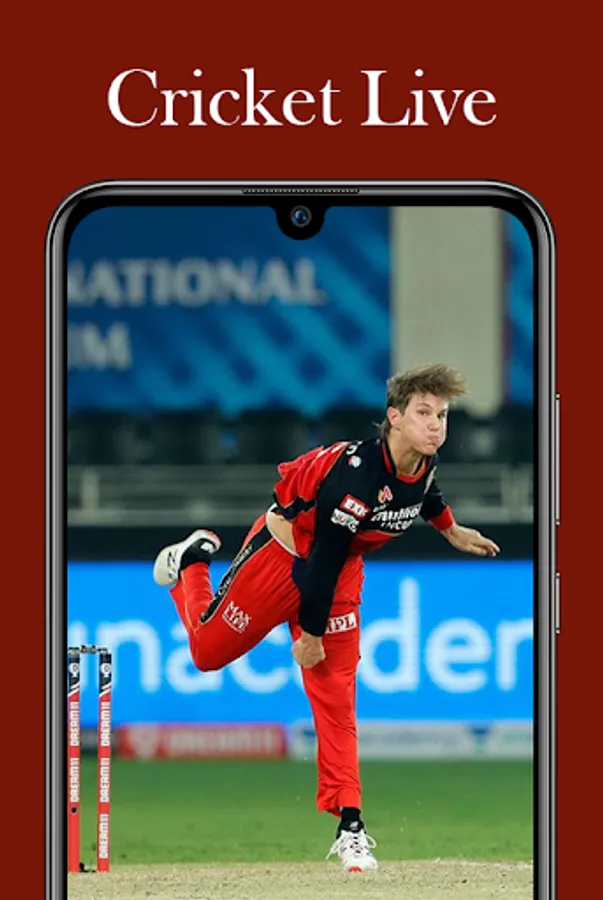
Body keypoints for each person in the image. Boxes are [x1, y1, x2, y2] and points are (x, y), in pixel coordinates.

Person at [152, 363, 500, 873]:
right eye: (424, 414)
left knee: (337, 697)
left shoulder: (423, 460)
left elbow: (423, 495)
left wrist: (450, 529)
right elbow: (322, 560)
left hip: (338, 575)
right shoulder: (356, 478)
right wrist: (310, 635)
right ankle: (191, 564)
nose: (435, 426)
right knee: (206, 654)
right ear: (394, 418)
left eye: (442, 415)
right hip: (281, 558)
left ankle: (351, 827)